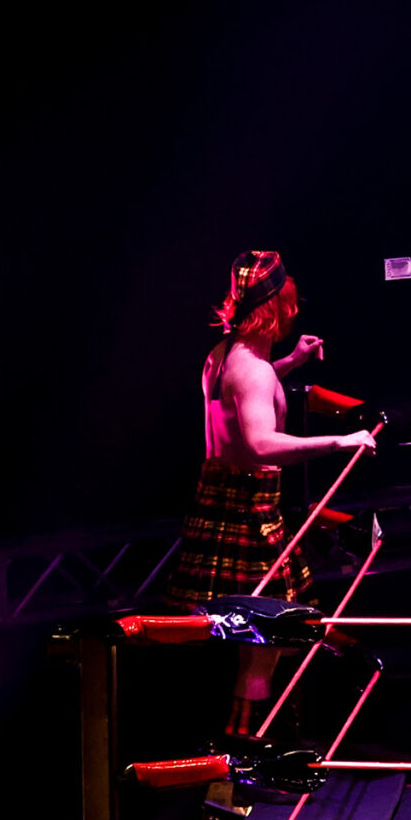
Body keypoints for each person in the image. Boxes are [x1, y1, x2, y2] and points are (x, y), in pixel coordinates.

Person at [166, 251, 378, 736]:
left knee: (269, 642)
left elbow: (245, 396)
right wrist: (339, 441)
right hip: (247, 509)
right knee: (264, 645)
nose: (296, 310)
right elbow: (261, 441)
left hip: (225, 502)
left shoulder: (225, 355)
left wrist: (291, 362)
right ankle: (245, 759)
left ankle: (248, 754)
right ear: (275, 307)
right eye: (290, 300)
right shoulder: (253, 372)